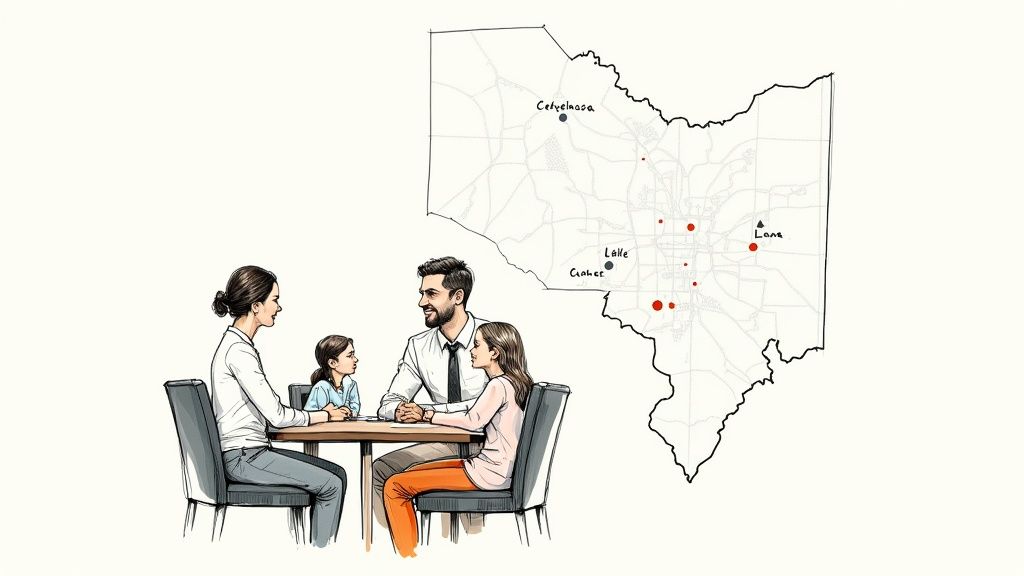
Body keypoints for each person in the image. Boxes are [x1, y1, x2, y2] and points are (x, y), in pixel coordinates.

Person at [210, 265, 348, 547]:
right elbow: (277, 415)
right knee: (332, 485)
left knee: (339, 474)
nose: (278, 307)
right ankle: (322, 556)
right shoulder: (239, 351)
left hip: (248, 453)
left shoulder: (237, 346)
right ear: (256, 305)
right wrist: (324, 415)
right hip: (244, 458)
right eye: (274, 299)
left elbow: (270, 415)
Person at [383, 322, 534, 557]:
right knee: (413, 469)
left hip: (489, 474)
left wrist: (427, 415)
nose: (471, 351)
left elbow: (473, 420)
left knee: (395, 486)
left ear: (494, 352)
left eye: (476, 345)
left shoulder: (498, 385)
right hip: (493, 469)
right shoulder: (516, 383)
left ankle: (407, 557)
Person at [373, 256, 489, 532]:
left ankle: (474, 543)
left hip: (487, 447)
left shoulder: (492, 338)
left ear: (458, 296)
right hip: (445, 445)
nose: (422, 302)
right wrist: (399, 410)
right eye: (422, 293)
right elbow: (388, 402)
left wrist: (429, 413)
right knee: (379, 470)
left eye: (431, 293)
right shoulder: (419, 345)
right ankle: (401, 552)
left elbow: (499, 400)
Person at [304, 334, 361, 417]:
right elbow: (309, 416)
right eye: (349, 356)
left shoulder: (351, 384)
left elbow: (355, 408)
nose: (356, 359)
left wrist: (350, 412)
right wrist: (327, 413)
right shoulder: (321, 387)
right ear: (332, 363)